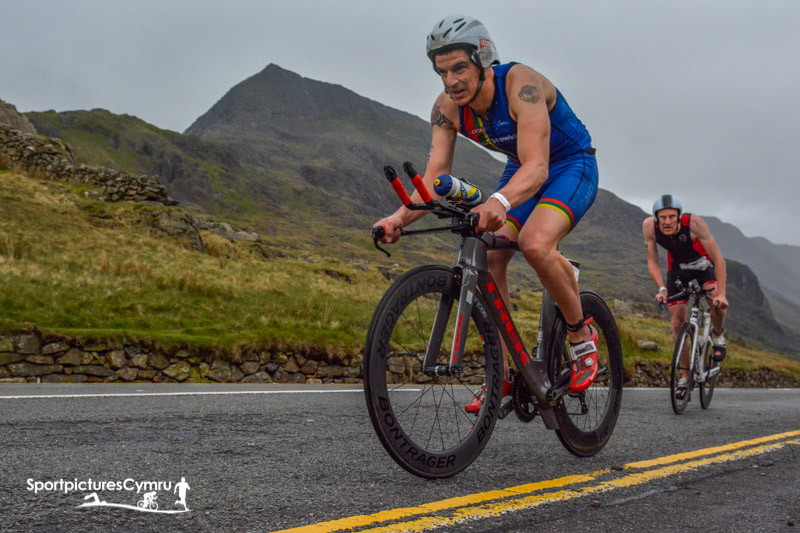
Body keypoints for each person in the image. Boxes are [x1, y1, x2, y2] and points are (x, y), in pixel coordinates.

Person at [373, 15, 600, 412]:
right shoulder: (447, 108)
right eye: (442, 71)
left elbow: (539, 168)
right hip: (522, 166)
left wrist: (499, 202)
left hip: (569, 165)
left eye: (459, 67)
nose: (451, 81)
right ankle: (507, 373)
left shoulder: (521, 85)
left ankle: (581, 335)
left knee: (533, 242)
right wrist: (397, 218)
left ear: (483, 60)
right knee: (491, 255)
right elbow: (433, 176)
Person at [643, 194, 729, 400]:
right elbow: (653, 261)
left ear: (679, 216)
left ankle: (717, 334)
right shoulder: (649, 227)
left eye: (672, 217)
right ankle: (684, 376)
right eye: (662, 218)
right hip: (678, 270)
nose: (667, 222)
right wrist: (662, 288)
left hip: (703, 265)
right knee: (677, 323)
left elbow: (718, 259)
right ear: (656, 218)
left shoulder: (695, 224)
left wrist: (722, 294)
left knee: (716, 301)